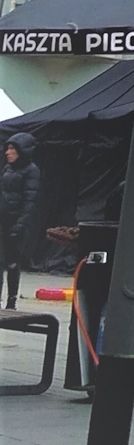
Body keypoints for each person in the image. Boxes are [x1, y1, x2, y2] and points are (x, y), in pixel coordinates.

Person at [0, 132, 42, 312]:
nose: (8, 152)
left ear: (22, 151)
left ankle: (11, 300)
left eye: (12, 149)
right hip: (3, 220)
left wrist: (20, 224)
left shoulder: (32, 170)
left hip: (17, 222)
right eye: (7, 148)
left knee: (12, 262)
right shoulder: (7, 169)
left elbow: (30, 201)